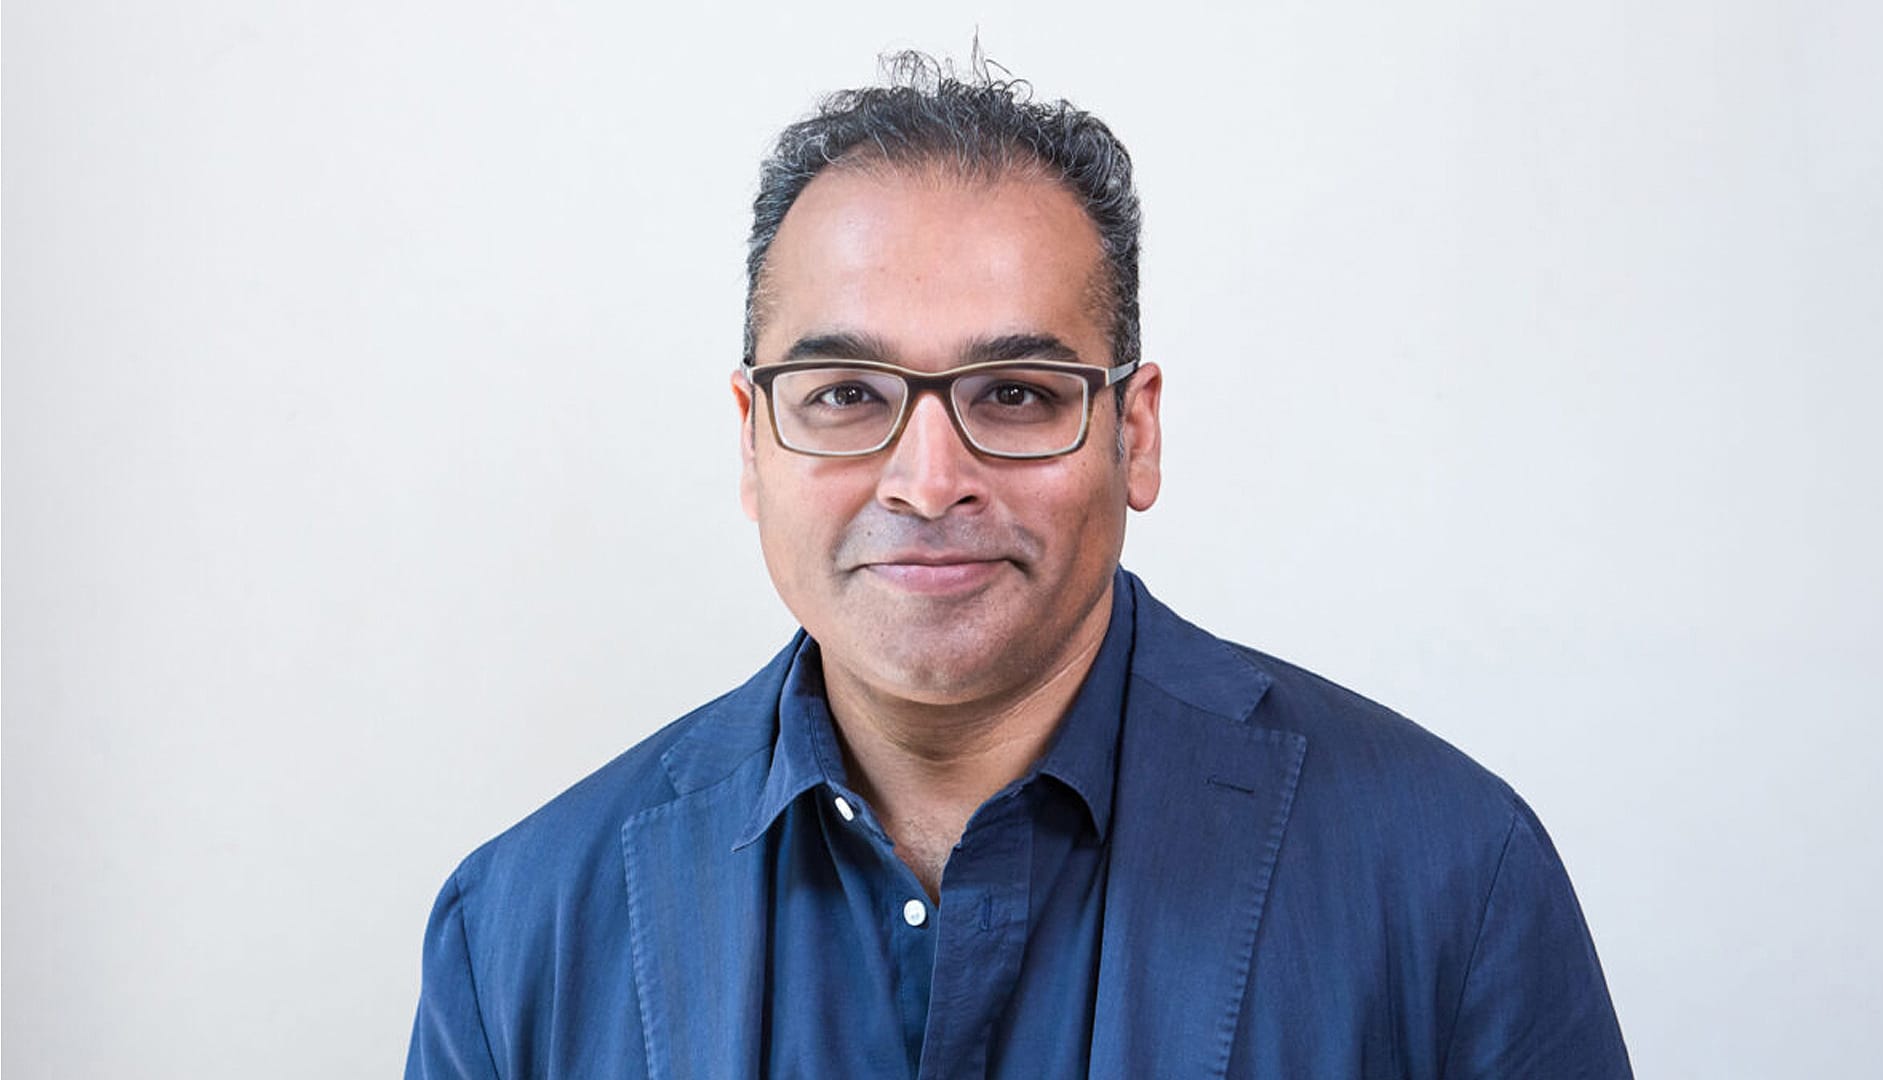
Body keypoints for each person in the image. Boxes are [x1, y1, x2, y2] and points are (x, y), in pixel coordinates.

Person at [405, 54, 1633, 1079]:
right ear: (751, 441)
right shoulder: (518, 932)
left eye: (1015, 393)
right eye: (843, 393)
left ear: (1133, 433)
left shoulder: (1450, 883)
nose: (929, 480)